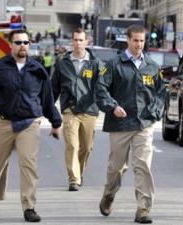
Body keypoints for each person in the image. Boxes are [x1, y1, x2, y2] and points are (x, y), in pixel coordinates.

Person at [0, 29, 62, 223]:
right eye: (19, 42)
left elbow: (47, 99)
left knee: (28, 164)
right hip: (3, 122)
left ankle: (29, 206)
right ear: (10, 45)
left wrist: (56, 122)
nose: (23, 45)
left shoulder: (37, 70)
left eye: (26, 42)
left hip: (29, 123)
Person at [95, 24, 166, 224]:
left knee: (143, 165)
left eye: (142, 41)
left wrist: (155, 111)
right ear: (128, 40)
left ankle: (143, 209)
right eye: (135, 40)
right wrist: (112, 106)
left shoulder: (152, 66)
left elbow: (161, 92)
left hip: (144, 123)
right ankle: (109, 194)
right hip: (120, 124)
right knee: (116, 167)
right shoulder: (113, 64)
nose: (138, 44)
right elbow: (100, 89)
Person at [51, 28, 103, 191]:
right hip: (70, 110)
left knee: (86, 147)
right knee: (72, 145)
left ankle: (79, 172)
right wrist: (49, 113)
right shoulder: (62, 63)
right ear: (72, 41)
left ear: (87, 42)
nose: (78, 43)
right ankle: (73, 179)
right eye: (75, 40)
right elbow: (54, 89)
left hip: (89, 110)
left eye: (81, 40)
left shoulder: (96, 63)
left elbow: (103, 88)